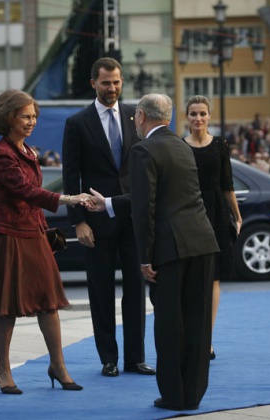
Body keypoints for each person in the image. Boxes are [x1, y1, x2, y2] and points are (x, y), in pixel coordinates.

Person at [89, 93, 219, 411]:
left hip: (170, 249)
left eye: (135, 117)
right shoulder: (181, 146)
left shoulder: (143, 148)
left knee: (170, 325)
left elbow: (144, 206)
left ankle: (174, 396)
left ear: (144, 117)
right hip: (202, 243)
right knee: (197, 323)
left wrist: (145, 258)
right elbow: (161, 196)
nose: (133, 121)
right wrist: (106, 203)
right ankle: (192, 393)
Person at [0, 89, 88, 394]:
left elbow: (31, 198)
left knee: (48, 301)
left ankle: (58, 366)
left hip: (32, 233)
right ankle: (2, 371)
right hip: (6, 236)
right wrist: (69, 198)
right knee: (5, 306)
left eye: (34, 116)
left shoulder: (28, 151)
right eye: (25, 116)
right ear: (8, 118)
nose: (31, 121)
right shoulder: (2, 153)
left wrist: (44, 230)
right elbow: (25, 191)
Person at [61, 57, 154, 377]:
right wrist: (78, 221)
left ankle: (135, 358)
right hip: (95, 223)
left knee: (135, 288)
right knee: (100, 291)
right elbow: (70, 175)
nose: (112, 88)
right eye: (105, 83)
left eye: (116, 82)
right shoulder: (77, 122)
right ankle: (108, 359)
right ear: (93, 84)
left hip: (131, 217)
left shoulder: (135, 116)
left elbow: (143, 168)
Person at [183, 96, 242, 360]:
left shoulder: (220, 145)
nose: (198, 118)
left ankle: (206, 339)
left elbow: (227, 184)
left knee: (214, 277)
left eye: (202, 114)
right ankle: (191, 335)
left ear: (209, 116)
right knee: (191, 278)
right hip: (189, 214)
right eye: (193, 114)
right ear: (186, 117)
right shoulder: (179, 146)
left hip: (216, 213)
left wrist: (237, 216)